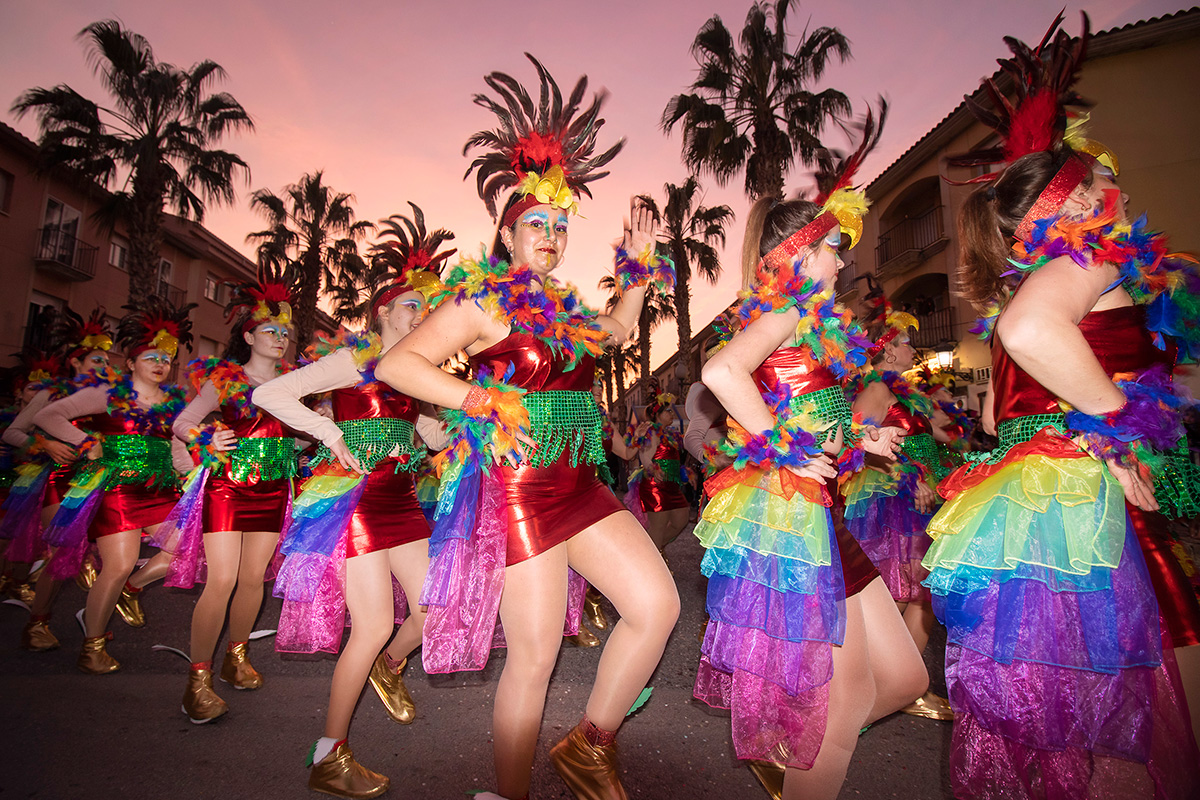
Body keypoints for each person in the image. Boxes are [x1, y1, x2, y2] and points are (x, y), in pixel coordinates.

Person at [375, 55, 680, 800]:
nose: (551, 234)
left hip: (580, 480)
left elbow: (613, 332)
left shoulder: (571, 311)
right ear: (509, 236)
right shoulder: (483, 303)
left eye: (561, 224)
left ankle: (589, 741)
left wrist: (637, 276)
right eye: (536, 223)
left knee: (657, 606)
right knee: (537, 655)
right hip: (518, 488)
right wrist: (479, 402)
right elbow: (399, 366)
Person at [922, 14, 1200, 797]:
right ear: (1076, 206)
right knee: (1137, 713)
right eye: (1102, 178)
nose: (1118, 183)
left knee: (1086, 721)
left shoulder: (1047, 276)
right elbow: (1028, 328)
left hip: (1041, 500)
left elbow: (989, 421)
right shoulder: (1083, 262)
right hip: (1087, 502)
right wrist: (1117, 426)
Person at [694, 103, 929, 800]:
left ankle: (801, 757)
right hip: (793, 519)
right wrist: (784, 449)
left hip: (823, 517)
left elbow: (812, 407)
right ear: (798, 253)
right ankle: (809, 766)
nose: (844, 256)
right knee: (848, 699)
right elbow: (720, 373)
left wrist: (862, 435)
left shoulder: (814, 326)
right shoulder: (788, 308)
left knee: (909, 678)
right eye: (833, 247)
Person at [254, 244, 451, 799]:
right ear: (384, 312)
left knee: (435, 610)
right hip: (360, 501)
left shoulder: (418, 370)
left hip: (404, 502)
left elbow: (430, 434)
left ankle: (389, 668)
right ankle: (329, 754)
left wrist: (470, 430)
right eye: (413, 306)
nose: (421, 317)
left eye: (426, 310)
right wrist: (332, 434)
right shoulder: (351, 361)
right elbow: (270, 392)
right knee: (370, 626)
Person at [157, 270, 298, 723]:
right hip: (228, 486)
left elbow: (302, 432)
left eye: (285, 333)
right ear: (249, 335)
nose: (280, 339)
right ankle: (197, 681)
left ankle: (236, 658)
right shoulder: (226, 378)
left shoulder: (296, 382)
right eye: (271, 331)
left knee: (254, 579)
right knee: (221, 579)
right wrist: (204, 440)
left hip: (274, 488)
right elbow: (182, 422)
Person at [33, 299, 194, 673]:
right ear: (132, 362)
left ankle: (131, 589)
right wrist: (85, 442)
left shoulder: (172, 402)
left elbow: (175, 446)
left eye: (165, 359)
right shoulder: (106, 394)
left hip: (160, 488)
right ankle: (92, 645)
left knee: (183, 549)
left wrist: (189, 476)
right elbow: (48, 415)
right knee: (117, 564)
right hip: (118, 489)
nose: (159, 364)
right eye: (151, 357)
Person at [842, 303, 954, 720]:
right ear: (888, 351)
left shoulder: (904, 390)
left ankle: (904, 683)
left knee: (922, 590)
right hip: (892, 495)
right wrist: (912, 478)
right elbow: (858, 444)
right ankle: (886, 683)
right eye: (906, 342)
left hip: (920, 492)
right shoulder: (876, 389)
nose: (913, 349)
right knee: (900, 591)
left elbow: (934, 433)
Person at [2, 308, 115, 650]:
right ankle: (37, 623)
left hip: (98, 478)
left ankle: (94, 616)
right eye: (96, 360)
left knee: (98, 553)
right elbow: (12, 433)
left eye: (107, 360)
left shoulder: (111, 394)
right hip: (61, 478)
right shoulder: (52, 395)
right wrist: (47, 443)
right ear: (76, 363)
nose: (104, 366)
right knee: (61, 550)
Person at [626, 392, 690, 559]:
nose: (671, 414)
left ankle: (652, 551)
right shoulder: (652, 432)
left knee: (681, 519)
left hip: (672, 485)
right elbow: (644, 456)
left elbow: (675, 459)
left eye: (671, 411)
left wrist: (687, 473)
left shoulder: (671, 433)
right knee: (658, 528)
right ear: (657, 414)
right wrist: (653, 469)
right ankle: (652, 561)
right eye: (667, 411)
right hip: (656, 485)